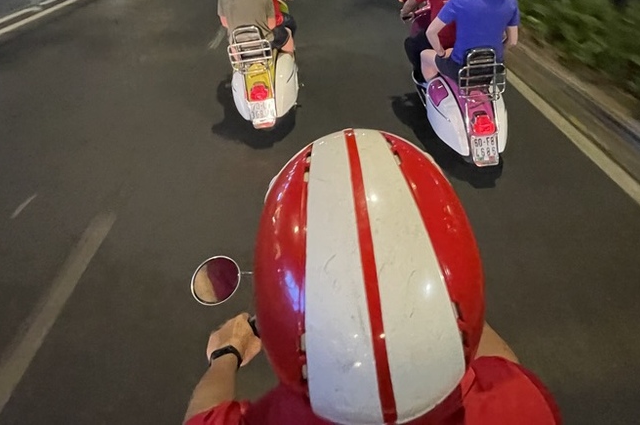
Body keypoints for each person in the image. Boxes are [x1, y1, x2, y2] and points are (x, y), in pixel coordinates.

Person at [182, 128, 561, 425]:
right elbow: (500, 363)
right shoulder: (526, 408)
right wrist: (421, 287)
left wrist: (227, 353)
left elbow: (203, 415)